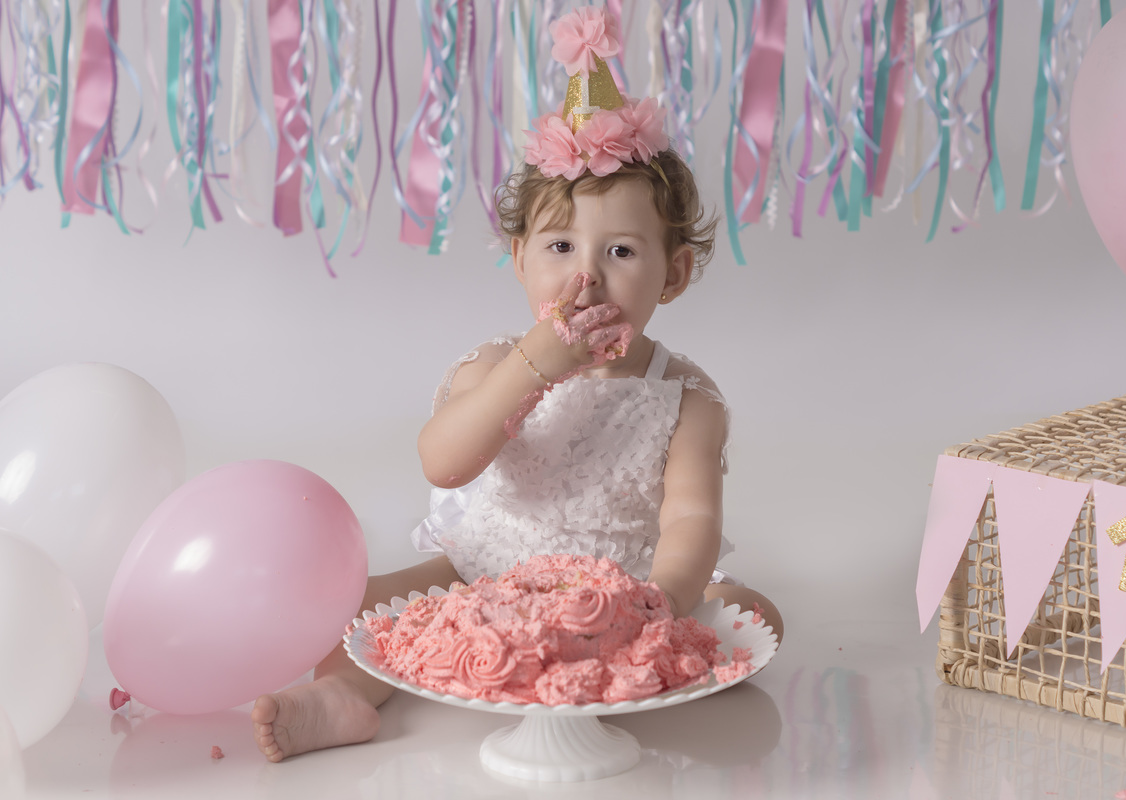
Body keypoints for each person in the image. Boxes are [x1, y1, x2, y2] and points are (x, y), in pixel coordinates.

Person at [252, 7, 783, 762]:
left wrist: (656, 600)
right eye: (560, 245)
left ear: (675, 274)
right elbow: (444, 463)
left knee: (754, 615)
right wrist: (537, 366)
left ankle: (623, 664)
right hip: (487, 570)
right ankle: (341, 697)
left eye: (623, 251)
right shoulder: (492, 365)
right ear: (519, 259)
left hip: (622, 580)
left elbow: (691, 519)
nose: (586, 274)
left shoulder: (685, 397)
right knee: (359, 607)